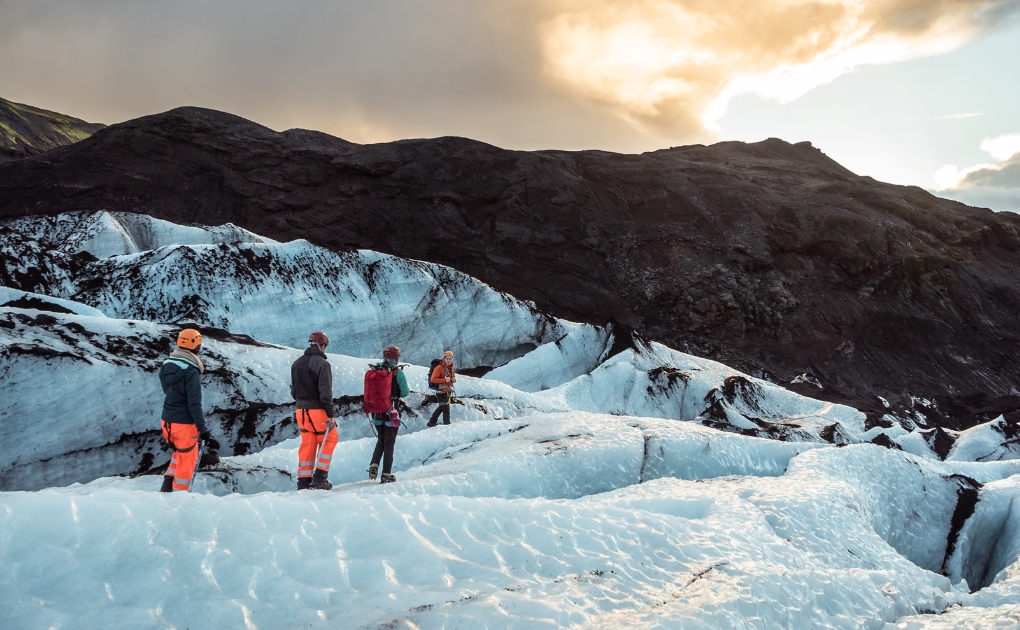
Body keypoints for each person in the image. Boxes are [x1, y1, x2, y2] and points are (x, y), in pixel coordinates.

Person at [159, 328, 219, 492]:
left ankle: (165, 492)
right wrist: (203, 430)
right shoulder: (191, 371)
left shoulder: (167, 365)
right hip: (184, 424)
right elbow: (194, 404)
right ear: (196, 345)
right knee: (185, 467)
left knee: (178, 456)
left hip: (167, 422)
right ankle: (179, 502)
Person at [290, 331, 339, 490]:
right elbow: (326, 393)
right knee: (330, 438)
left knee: (308, 443)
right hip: (317, 411)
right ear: (322, 345)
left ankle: (303, 482)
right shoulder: (322, 364)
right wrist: (330, 415)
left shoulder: (296, 363)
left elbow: (293, 392)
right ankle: (320, 478)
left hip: (301, 412)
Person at [367, 345, 409, 483]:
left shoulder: (376, 370)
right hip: (392, 411)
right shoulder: (398, 373)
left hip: (376, 413)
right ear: (396, 358)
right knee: (389, 442)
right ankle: (386, 474)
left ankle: (374, 465)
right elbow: (405, 392)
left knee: (381, 438)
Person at [427, 350, 457, 427]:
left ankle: (431, 422)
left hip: (447, 391)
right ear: (444, 358)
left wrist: (454, 380)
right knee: (446, 409)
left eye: (450, 359)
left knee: (441, 407)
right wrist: (444, 379)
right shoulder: (439, 368)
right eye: (447, 358)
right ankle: (447, 425)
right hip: (441, 392)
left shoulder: (451, 368)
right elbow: (433, 379)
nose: (448, 360)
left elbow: (453, 377)